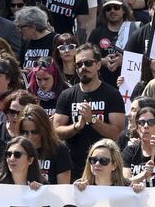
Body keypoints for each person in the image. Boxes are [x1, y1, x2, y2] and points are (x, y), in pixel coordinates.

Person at [53, 43, 125, 180]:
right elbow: (56, 132)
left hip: (103, 168)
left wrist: (92, 120)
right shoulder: (66, 95)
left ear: (98, 65)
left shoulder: (112, 95)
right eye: (79, 65)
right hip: (74, 166)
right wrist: (76, 126)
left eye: (88, 63)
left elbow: (117, 134)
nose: (83, 68)